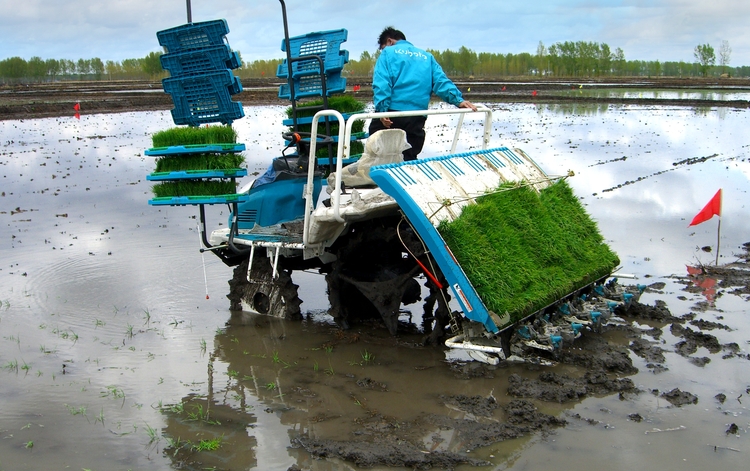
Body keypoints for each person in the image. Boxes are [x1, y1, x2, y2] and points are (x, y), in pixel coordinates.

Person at [369, 27, 477, 161]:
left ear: (389, 41)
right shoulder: (427, 57)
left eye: (383, 47)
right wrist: (458, 100)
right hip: (417, 116)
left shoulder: (387, 54)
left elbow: (382, 84)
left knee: (376, 154)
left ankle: (381, 180)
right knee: (409, 156)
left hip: (391, 114)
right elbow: (440, 81)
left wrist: (382, 111)